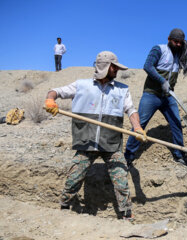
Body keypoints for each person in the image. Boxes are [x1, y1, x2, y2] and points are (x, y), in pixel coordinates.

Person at [44, 51, 147, 220]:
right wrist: (50, 100)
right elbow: (55, 91)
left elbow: (131, 110)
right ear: (105, 66)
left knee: (121, 178)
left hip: (111, 143)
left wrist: (137, 128)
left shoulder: (122, 90)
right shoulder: (82, 85)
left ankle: (127, 214)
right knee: (74, 177)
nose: (117, 71)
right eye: (114, 67)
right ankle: (63, 207)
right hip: (87, 141)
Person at [124, 28, 187, 165]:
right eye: (176, 42)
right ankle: (129, 155)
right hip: (151, 94)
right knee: (140, 124)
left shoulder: (179, 54)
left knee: (176, 123)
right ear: (169, 39)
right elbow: (148, 66)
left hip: (168, 96)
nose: (178, 45)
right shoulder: (159, 49)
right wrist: (162, 81)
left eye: (181, 42)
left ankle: (179, 154)